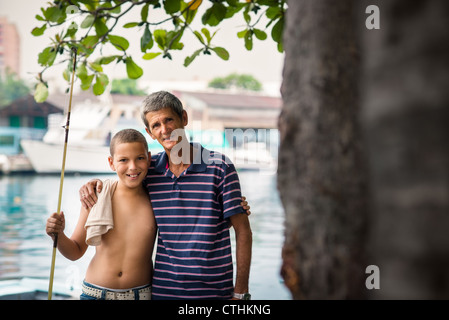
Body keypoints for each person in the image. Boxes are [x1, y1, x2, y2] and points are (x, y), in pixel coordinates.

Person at [79, 90, 253, 300]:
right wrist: (93, 184)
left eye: (169, 120)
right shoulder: (149, 170)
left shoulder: (220, 167)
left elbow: (243, 231)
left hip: (213, 292)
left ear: (184, 118)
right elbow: (123, 177)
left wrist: (241, 292)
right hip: (163, 293)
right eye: (156, 125)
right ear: (149, 132)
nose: (165, 130)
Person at [46, 129, 156, 300]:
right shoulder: (97, 196)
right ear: (111, 163)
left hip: (141, 295)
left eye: (140, 158)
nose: (133, 166)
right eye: (123, 160)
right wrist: (58, 235)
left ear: (149, 158)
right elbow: (75, 251)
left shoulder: (156, 199)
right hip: (96, 293)